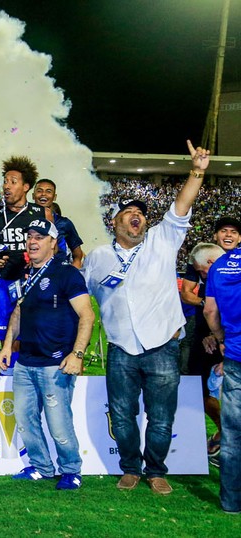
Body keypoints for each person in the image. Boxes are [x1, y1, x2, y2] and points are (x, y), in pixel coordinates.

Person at [83, 140, 209, 495]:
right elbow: (80, 297)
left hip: (162, 345)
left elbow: (182, 205)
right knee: (122, 416)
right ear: (115, 221)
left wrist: (197, 170)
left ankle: (155, 470)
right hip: (122, 347)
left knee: (161, 417)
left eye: (140, 213)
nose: (136, 216)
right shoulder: (97, 258)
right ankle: (129, 467)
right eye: (128, 213)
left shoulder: (162, 240)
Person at [0, 217, 94, 490]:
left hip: (56, 364)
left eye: (40, 237)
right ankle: (41, 467)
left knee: (58, 424)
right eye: (30, 236)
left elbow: (87, 315)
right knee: (27, 423)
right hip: (26, 362)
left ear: (53, 243)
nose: (33, 241)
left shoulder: (67, 274)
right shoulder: (27, 274)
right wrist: (7, 345)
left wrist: (77, 354)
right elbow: (18, 311)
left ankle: (71, 470)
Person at [0, 157, 48, 373]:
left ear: (26, 187)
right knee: (0, 339)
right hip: (2, 286)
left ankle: (25, 379)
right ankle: (3, 382)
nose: (6, 185)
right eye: (5, 181)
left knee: (29, 338)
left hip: (31, 286)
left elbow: (54, 251)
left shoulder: (41, 214)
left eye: (13, 181)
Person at [202, 244, 241, 514]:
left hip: (236, 353)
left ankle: (231, 502)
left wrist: (221, 339)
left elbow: (209, 311)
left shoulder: (220, 265)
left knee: (234, 433)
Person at [184, 240, 230, 460]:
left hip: (229, 345)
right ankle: (225, 433)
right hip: (209, 340)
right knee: (198, 388)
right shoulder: (213, 279)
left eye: (202, 272)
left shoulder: (231, 280)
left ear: (211, 263)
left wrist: (220, 337)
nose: (201, 277)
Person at [32, 179, 85, 268]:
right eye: (39, 191)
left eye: (48, 191)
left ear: (54, 197)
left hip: (58, 274)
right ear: (33, 196)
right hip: (31, 274)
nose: (43, 194)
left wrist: (73, 272)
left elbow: (78, 255)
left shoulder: (64, 223)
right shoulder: (23, 220)